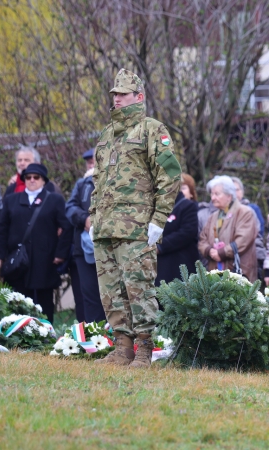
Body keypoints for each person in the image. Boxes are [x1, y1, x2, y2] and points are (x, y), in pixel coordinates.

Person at [89, 69, 182, 368]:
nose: (116, 99)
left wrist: (159, 219)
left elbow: (169, 175)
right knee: (111, 290)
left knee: (138, 287)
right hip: (106, 226)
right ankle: (122, 347)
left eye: (122, 94)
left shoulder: (152, 129)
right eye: (114, 94)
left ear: (138, 97)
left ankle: (144, 348)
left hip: (136, 226)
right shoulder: (107, 135)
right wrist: (93, 218)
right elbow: (98, 181)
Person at [0, 163, 72, 323]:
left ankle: (46, 335)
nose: (32, 180)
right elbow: (1, 228)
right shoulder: (11, 200)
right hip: (17, 260)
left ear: (43, 180)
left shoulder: (54, 200)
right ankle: (17, 335)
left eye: (36, 177)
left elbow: (66, 227)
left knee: (44, 302)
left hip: (44, 259)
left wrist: (60, 254)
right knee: (17, 300)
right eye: (28, 177)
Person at [65, 148, 106, 323]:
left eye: (96, 160)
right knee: (90, 296)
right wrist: (85, 219)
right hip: (84, 251)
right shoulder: (82, 184)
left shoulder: (120, 181)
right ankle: (96, 341)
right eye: (89, 162)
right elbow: (70, 208)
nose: (92, 165)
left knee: (115, 296)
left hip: (112, 249)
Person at [198, 175, 258, 281]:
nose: (212, 198)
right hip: (215, 273)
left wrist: (221, 253)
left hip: (239, 272)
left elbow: (243, 240)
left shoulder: (245, 213)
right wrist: (209, 251)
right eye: (211, 194)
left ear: (229, 196)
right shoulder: (213, 217)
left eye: (217, 194)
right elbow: (203, 239)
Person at [156, 174, 200, 285]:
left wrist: (160, 246)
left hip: (180, 265)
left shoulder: (188, 206)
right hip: (159, 266)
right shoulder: (157, 206)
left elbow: (187, 232)